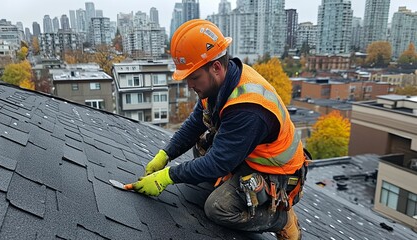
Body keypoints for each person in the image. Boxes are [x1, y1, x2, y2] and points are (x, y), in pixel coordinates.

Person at [131, 19, 310, 239]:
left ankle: (282, 219)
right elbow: (196, 123)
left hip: (277, 171)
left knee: (217, 208)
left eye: (193, 77)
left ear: (216, 67)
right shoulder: (220, 83)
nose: (189, 85)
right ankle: (233, 184)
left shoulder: (248, 107)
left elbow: (218, 163)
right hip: (249, 153)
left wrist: (167, 176)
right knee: (201, 148)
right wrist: (165, 154)